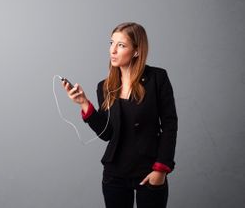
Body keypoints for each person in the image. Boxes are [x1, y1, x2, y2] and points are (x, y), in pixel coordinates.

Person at [62, 22, 177, 208]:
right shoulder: (105, 86)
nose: (113, 50)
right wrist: (84, 103)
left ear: (137, 51)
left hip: (149, 171)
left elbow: (170, 125)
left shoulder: (158, 78)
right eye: (111, 43)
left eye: (121, 45)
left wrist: (161, 169)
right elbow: (107, 134)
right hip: (115, 173)